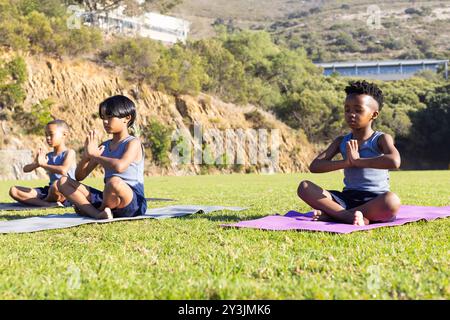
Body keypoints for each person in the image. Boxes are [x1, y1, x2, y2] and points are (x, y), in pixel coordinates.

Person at [297, 80, 401, 226]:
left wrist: (359, 162)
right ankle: (348, 216)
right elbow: (315, 166)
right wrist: (345, 163)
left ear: (374, 114)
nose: (351, 114)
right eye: (347, 110)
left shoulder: (381, 139)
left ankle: (335, 215)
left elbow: (395, 161)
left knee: (392, 201)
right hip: (346, 199)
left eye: (358, 110)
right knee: (304, 187)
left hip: (374, 200)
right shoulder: (341, 141)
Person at [57, 95, 147, 220]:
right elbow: (79, 176)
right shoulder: (104, 146)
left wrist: (94, 154)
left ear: (127, 118)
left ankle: (95, 209)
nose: (105, 122)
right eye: (103, 118)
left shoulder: (133, 142)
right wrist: (86, 156)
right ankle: (99, 214)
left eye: (110, 117)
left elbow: (120, 167)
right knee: (62, 182)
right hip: (108, 197)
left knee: (114, 182)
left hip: (132, 202)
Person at [9, 120, 76, 207]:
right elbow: (25, 169)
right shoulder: (48, 156)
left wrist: (44, 165)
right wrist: (36, 164)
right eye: (46, 134)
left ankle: (42, 201)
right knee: (14, 190)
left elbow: (63, 170)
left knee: (55, 186)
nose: (48, 137)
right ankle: (49, 204)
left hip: (65, 190)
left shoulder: (69, 152)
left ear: (64, 135)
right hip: (49, 190)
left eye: (51, 134)